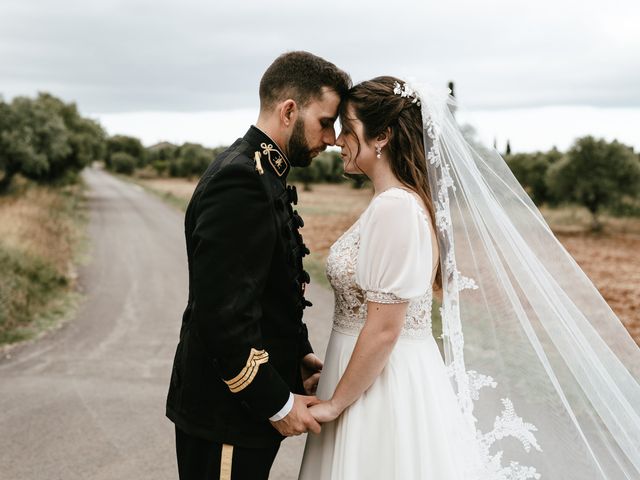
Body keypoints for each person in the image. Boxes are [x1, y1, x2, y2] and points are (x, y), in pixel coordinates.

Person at [299, 77, 640, 479]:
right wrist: (337, 373)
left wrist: (336, 402)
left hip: (382, 390)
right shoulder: (399, 201)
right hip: (370, 377)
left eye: (348, 129)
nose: (338, 140)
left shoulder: (395, 206)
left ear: (383, 136)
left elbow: (384, 329)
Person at [166, 51, 351, 480]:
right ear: (289, 111)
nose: (332, 139)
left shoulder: (265, 171)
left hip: (240, 412)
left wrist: (299, 355)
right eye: (325, 122)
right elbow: (223, 317)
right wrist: (277, 403)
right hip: (225, 413)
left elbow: (274, 285)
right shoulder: (241, 181)